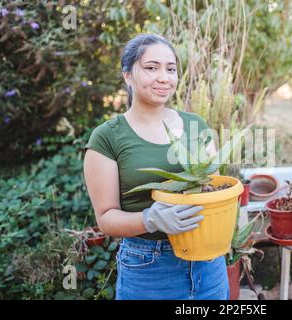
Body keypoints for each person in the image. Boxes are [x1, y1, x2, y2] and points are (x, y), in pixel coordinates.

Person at [83, 34, 229, 300]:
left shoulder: (196, 124)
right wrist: (149, 219)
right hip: (149, 268)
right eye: (151, 68)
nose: (164, 77)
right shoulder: (107, 137)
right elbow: (106, 219)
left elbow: (213, 192)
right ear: (128, 75)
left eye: (170, 69)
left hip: (209, 264)